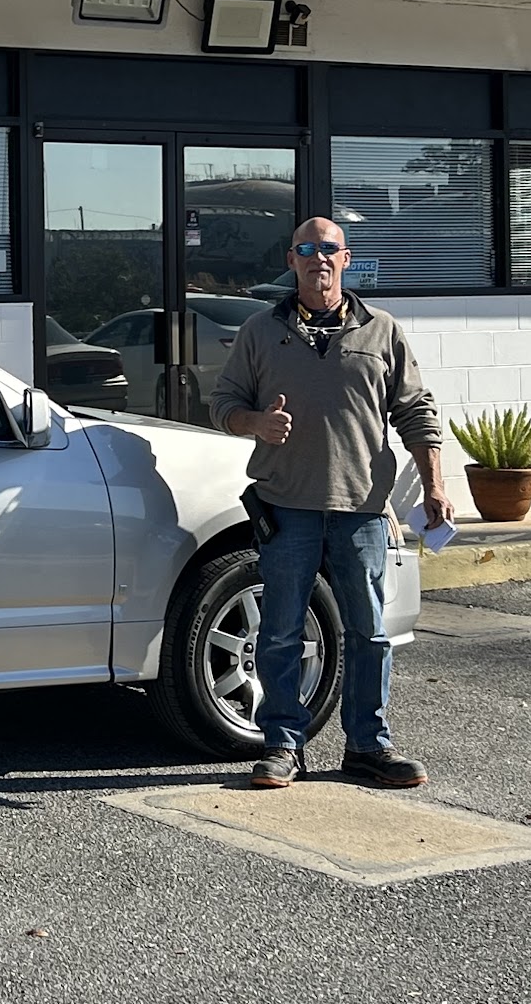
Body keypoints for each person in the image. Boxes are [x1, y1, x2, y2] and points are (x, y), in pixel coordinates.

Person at [208, 216, 452, 790]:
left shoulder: (382, 331)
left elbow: (416, 412)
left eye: (329, 248)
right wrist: (255, 423)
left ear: (345, 259)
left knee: (369, 633)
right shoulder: (260, 332)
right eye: (306, 249)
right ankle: (282, 746)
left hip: (360, 509)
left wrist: (435, 485)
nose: (318, 257)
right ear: (291, 261)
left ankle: (368, 747)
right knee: (281, 632)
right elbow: (222, 404)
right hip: (285, 505)